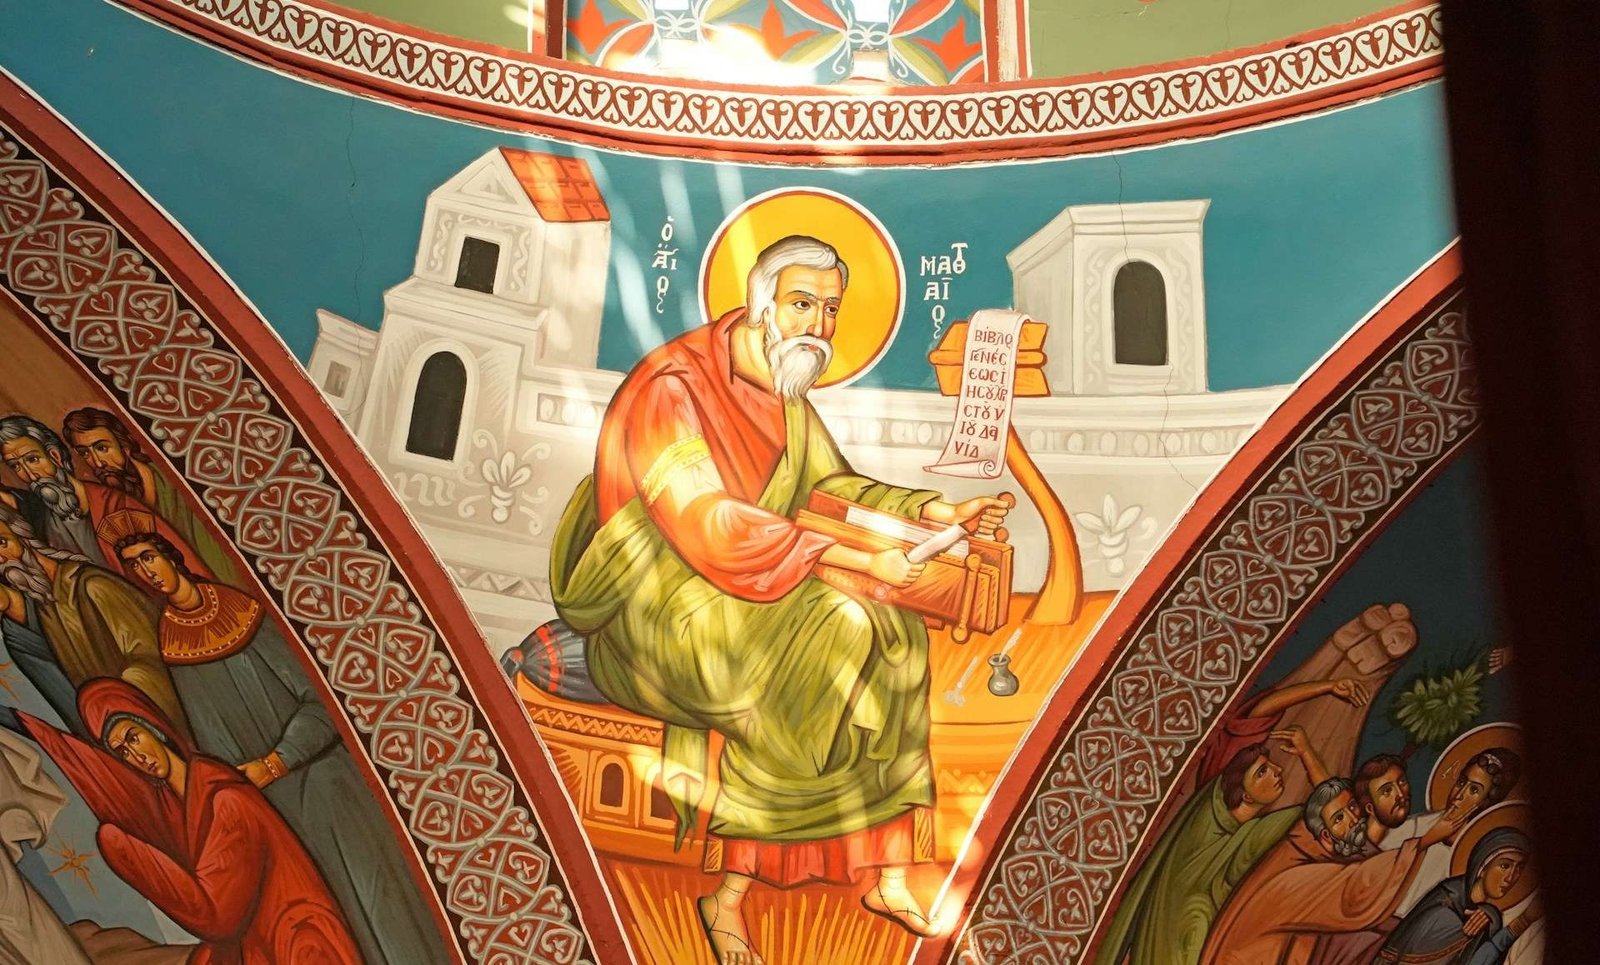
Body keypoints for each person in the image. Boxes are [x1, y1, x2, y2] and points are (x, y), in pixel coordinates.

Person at [550, 235, 1009, 963]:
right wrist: (848, 558)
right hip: (662, 602)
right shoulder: (675, 385)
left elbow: (831, 488)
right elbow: (705, 523)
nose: (818, 325)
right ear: (760, 304)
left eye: (830, 309)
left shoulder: (784, 390)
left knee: (897, 633)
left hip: (759, 570)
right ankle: (728, 894)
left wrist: (932, 511)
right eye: (802, 304)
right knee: (836, 628)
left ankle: (888, 873)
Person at [110, 515, 451, 965]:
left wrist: (276, 761)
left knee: (379, 892)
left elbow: (321, 701)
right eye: (133, 566)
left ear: (170, 556)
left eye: (148, 557)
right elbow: (211, 741)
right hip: (276, 808)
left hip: (326, 779)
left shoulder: (242, 609)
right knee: (338, 914)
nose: (145, 571)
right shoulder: (171, 642)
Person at [20, 678, 361, 964]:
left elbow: (216, 916)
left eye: (134, 737)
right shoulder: (178, 810)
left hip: (300, 947)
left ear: (154, 728)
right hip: (259, 947)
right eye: (122, 751)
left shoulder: (226, 798)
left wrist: (122, 850)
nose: (136, 756)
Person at [1094, 727, 1326, 965]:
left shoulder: (1220, 815)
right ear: (1245, 796)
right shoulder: (1240, 835)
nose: (1278, 770)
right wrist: (1306, 753)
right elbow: (1329, 807)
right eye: (1262, 772)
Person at [1199, 777, 1463, 964]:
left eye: (1352, 807)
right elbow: (1353, 890)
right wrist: (1425, 841)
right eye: (1339, 819)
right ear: (1325, 835)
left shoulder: (1322, 850)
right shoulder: (1294, 870)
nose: (1353, 819)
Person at [0, 503, 186, 738]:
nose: (1, 559)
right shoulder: (47, 607)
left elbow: (148, 658)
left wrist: (118, 711)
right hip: (123, 734)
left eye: (2, 543)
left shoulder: (91, 584)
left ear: (21, 533)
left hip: (151, 725)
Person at [0, 416, 211, 584]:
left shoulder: (115, 505)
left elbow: (180, 564)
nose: (30, 474)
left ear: (54, 455)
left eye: (33, 460)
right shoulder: (39, 520)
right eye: (16, 466)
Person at [62, 408, 240, 585]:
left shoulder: (167, 483)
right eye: (85, 453)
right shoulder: (107, 500)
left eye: (102, 448)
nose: (97, 462)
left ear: (124, 446)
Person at [1382, 747, 1523, 917]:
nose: (1459, 795)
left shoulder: (1476, 858)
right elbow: (1372, 869)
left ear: (1486, 802)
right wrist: (1426, 840)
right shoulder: (1416, 825)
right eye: (1462, 782)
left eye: (1474, 790)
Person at [1377, 827, 1541, 964]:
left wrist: (1516, 921)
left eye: (1519, 868)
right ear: (1483, 866)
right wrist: (1521, 921)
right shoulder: (1444, 908)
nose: (1511, 877)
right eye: (1505, 866)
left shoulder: (1488, 917)